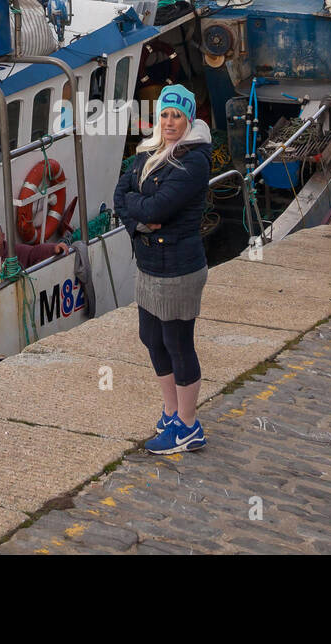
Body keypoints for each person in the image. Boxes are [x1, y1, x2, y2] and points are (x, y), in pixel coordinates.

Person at [114, 84, 212, 454]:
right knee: (150, 337)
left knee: (177, 343)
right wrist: (139, 219)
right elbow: (120, 196)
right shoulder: (149, 150)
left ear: (188, 120)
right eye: (166, 114)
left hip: (179, 266)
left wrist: (140, 209)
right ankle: (171, 411)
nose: (170, 122)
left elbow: (158, 209)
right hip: (149, 262)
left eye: (177, 116)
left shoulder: (194, 160)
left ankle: (189, 426)